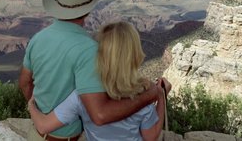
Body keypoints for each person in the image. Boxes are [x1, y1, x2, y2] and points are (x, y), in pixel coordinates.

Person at [19, 0, 162, 141]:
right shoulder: (90, 50)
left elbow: (25, 83)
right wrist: (152, 95)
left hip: (38, 133)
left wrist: (33, 104)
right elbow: (100, 115)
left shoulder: (37, 38)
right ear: (88, 7)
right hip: (69, 136)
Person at [27, 21, 171, 141]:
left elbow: (43, 126)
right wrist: (161, 96)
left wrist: (31, 105)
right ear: (134, 54)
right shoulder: (142, 95)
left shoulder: (82, 96)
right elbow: (151, 136)